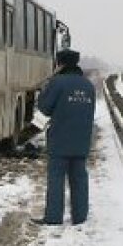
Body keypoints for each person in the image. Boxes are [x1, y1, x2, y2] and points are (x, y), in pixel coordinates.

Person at [33, 49, 96, 225]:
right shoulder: (88, 85)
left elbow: (44, 107)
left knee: (56, 178)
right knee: (79, 178)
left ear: (60, 64)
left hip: (60, 140)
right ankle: (80, 217)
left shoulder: (57, 82)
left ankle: (53, 218)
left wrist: (45, 90)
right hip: (82, 141)